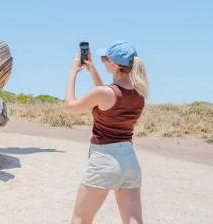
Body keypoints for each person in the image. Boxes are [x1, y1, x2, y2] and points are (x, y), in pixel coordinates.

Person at [64, 40, 150, 224]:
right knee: (133, 220)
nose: (103, 62)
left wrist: (73, 73)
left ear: (113, 64)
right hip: (129, 160)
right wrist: (93, 71)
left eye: (105, 59)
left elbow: (70, 106)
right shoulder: (140, 95)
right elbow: (109, 96)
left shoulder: (105, 93)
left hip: (105, 160)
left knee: (80, 218)